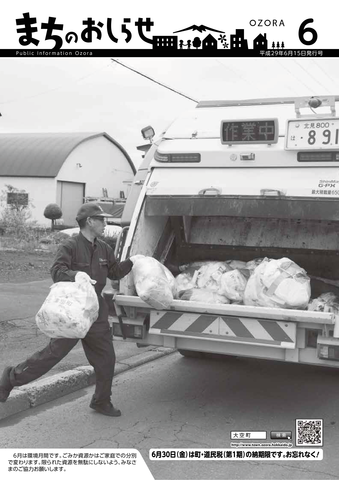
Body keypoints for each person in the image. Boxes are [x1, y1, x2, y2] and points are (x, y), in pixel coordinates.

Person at [0, 202, 137, 417]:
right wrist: (75, 275)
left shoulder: (104, 248)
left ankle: (101, 401)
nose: (105, 223)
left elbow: (114, 272)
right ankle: (10, 378)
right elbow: (57, 271)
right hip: (72, 311)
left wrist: (132, 262)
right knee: (52, 355)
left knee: (106, 359)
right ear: (90, 221)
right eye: (101, 219)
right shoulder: (70, 245)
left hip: (96, 311)